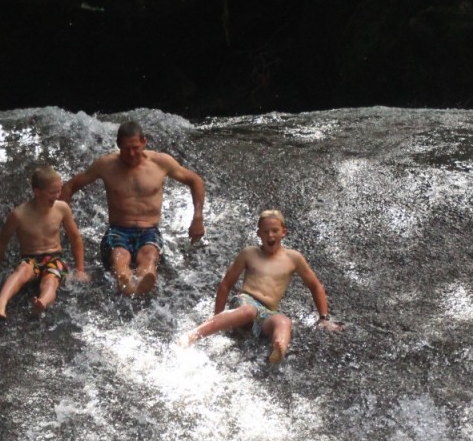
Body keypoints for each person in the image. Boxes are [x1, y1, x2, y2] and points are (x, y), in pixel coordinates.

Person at [60, 120, 205, 296]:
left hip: (149, 229)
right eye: (126, 148)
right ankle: (125, 279)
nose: (131, 153)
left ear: (144, 141)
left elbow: (195, 180)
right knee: (120, 257)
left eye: (135, 147)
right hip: (118, 229)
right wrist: (61, 222)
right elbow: (70, 186)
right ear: (118, 145)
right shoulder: (105, 165)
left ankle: (143, 280)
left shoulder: (161, 162)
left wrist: (197, 218)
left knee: (149, 255)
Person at [178, 209, 343, 363]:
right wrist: (217, 318)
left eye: (274, 231)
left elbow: (315, 286)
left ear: (284, 232)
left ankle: (278, 351)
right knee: (249, 311)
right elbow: (225, 285)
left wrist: (324, 318)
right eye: (265, 231)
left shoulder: (294, 258)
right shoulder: (249, 253)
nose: (270, 235)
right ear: (258, 234)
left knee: (283, 321)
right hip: (245, 302)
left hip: (268, 312)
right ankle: (192, 336)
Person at [0, 165, 89, 319]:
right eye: (52, 192)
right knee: (22, 271)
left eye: (59, 190)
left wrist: (80, 269)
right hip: (30, 259)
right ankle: (1, 304)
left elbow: (75, 237)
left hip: (55, 258)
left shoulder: (62, 208)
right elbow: (2, 242)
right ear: (37, 192)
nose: (57, 195)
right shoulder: (19, 215)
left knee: (51, 279)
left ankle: (42, 302)